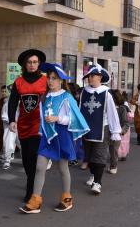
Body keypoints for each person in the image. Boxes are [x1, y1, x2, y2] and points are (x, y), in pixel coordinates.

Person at [20, 63, 89, 214]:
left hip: (62, 135)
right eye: (49, 78)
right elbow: (42, 118)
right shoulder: (45, 96)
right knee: (39, 167)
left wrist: (58, 118)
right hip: (47, 136)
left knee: (63, 168)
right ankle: (35, 200)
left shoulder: (67, 97)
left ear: (61, 81)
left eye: (54, 78)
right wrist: (40, 131)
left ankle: (66, 198)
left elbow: (76, 118)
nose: (50, 81)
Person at [7, 49, 48, 203]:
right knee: (26, 159)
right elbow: (12, 102)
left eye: (35, 62)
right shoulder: (18, 81)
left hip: (39, 124)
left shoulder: (45, 81)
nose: (32, 65)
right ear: (25, 64)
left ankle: (32, 190)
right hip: (23, 124)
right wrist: (12, 120)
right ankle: (31, 180)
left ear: (39, 64)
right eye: (29, 62)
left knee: (35, 157)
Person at [79, 64, 122, 195]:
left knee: (99, 156)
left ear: (99, 77)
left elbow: (112, 112)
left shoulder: (106, 93)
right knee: (89, 156)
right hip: (87, 130)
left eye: (92, 76)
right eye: (89, 76)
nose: (90, 78)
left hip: (101, 129)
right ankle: (93, 175)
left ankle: (97, 182)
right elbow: (79, 109)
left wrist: (115, 131)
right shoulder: (84, 92)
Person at [109, 90, 129, 173]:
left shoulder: (122, 109)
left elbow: (125, 123)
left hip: (115, 133)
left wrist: (121, 130)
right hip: (105, 131)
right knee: (101, 152)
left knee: (113, 150)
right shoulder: (106, 108)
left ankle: (113, 166)